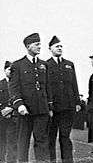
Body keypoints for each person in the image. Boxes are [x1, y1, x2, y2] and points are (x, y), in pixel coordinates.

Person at [9, 33, 53, 163]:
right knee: (23, 142)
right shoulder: (17, 65)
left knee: (42, 142)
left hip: (42, 110)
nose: (40, 47)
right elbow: (14, 88)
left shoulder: (44, 64)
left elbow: (48, 87)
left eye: (40, 44)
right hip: (25, 111)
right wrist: (19, 105)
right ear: (28, 46)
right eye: (37, 44)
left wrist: (49, 107)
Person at [47, 36, 81, 163]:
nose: (59, 48)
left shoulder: (69, 64)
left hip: (68, 107)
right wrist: (48, 106)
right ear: (50, 49)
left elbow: (74, 84)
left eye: (61, 46)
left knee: (65, 137)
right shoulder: (46, 65)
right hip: (53, 108)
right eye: (57, 46)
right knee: (51, 137)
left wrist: (77, 101)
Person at [0, 61, 17, 163]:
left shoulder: (17, 85)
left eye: (13, 70)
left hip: (14, 118)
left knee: (13, 143)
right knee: (1, 142)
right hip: (1, 118)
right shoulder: (0, 84)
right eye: (9, 70)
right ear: (4, 70)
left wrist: (11, 109)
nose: (11, 72)